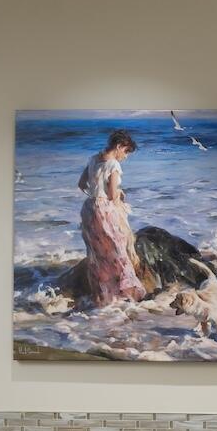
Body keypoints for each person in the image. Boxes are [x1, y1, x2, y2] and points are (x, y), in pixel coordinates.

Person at [77, 130, 148, 306]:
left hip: (88, 209)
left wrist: (95, 194)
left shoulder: (93, 159)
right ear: (119, 146)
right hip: (104, 211)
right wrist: (119, 194)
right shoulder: (113, 165)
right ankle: (128, 294)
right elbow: (112, 195)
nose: (126, 156)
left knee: (98, 256)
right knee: (118, 251)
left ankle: (102, 297)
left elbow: (81, 184)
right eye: (126, 152)